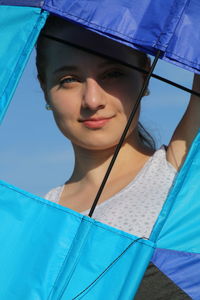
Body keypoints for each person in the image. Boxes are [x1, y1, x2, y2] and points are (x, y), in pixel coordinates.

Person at [36, 15, 200, 238]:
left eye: (113, 74)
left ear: (145, 77)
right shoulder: (38, 217)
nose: (92, 101)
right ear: (45, 88)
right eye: (69, 79)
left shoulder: (182, 168)